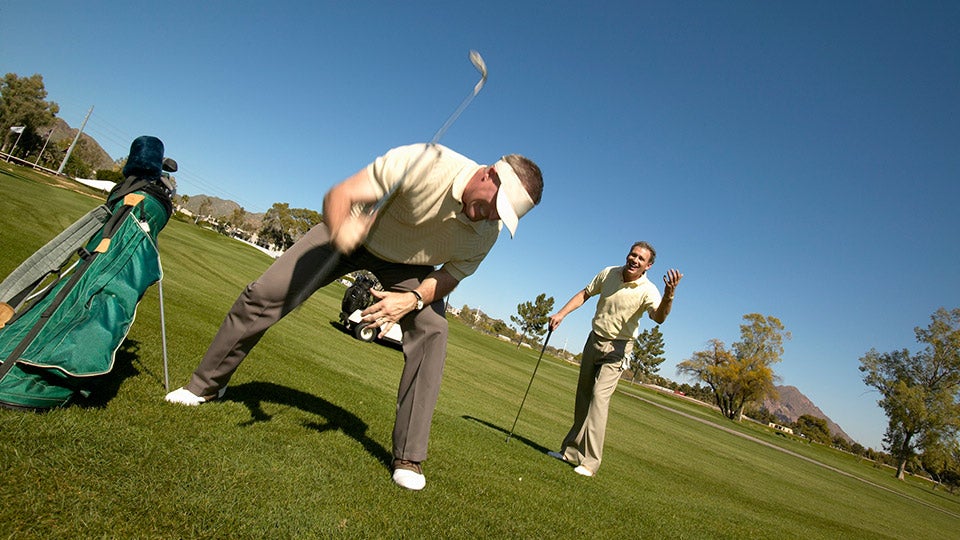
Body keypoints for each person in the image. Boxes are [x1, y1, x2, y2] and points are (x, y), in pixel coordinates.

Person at [164, 143, 544, 491]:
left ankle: (409, 457)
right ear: (489, 174)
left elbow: (449, 276)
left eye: (505, 215)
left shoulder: (487, 233)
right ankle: (207, 384)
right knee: (266, 293)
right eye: (499, 204)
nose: (494, 216)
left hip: (409, 268)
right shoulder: (427, 161)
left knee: (433, 330)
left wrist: (411, 300)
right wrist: (345, 231)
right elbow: (340, 195)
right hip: (353, 232)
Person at [546, 241, 682, 477]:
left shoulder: (648, 291)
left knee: (599, 399)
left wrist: (669, 296)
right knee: (583, 398)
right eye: (633, 255)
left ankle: (590, 463)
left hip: (619, 348)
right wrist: (561, 313)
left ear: (648, 266)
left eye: (641, 259)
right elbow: (585, 294)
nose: (635, 260)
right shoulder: (609, 273)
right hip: (594, 339)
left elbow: (658, 318)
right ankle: (569, 452)